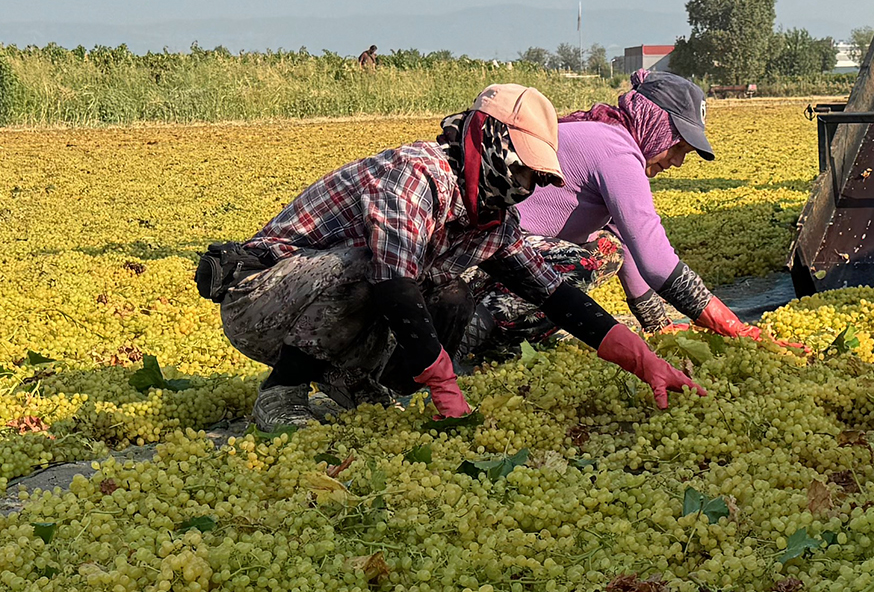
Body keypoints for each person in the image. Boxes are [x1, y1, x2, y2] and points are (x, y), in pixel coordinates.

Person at [199, 83, 704, 432]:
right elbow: (392, 280)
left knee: (450, 291)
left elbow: (555, 295)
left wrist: (645, 362)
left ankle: (353, 382)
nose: (527, 187)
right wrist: (444, 385)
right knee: (369, 266)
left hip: (322, 307)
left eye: (537, 178)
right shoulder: (415, 176)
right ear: (492, 142)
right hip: (260, 301)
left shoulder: (491, 217)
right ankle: (282, 390)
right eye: (526, 171)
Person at [432, 71, 765, 365]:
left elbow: (629, 241)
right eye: (677, 147)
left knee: (607, 248)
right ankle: (464, 338)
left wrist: (657, 325)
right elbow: (657, 262)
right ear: (658, 126)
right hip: (481, 261)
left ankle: (498, 339)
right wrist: (735, 328)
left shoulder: (608, 136)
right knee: (593, 258)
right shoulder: (617, 151)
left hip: (491, 254)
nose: (677, 161)